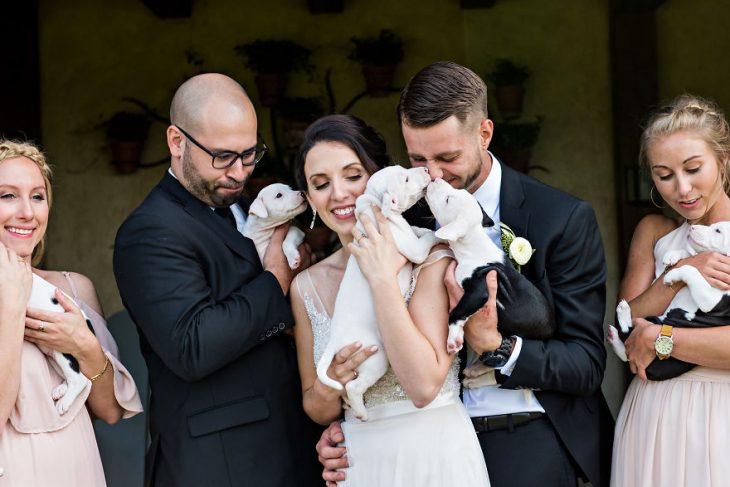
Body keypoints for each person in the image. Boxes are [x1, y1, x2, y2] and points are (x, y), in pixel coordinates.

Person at [317, 61, 614, 487]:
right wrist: (344, 429)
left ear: (485, 133)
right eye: (418, 158)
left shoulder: (562, 218)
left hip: (527, 431)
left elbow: (585, 364)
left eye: (447, 156)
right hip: (428, 446)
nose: (433, 173)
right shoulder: (403, 216)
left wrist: (497, 347)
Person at [113, 73, 321, 487]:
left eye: (249, 155)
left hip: (294, 449)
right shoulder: (151, 230)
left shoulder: (247, 208)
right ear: (176, 141)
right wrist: (277, 282)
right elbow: (192, 345)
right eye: (223, 156)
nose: (239, 172)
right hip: (217, 465)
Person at [290, 113, 490, 486]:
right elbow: (316, 409)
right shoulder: (307, 286)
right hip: (360, 463)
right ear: (308, 199)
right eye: (320, 184)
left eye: (353, 176)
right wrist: (331, 381)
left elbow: (424, 387)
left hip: (436, 455)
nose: (338, 193)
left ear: (380, 177)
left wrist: (381, 279)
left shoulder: (430, 256)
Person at [0, 140, 142, 486]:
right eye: (7, 196)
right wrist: (11, 308)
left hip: (78, 471)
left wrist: (84, 344)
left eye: (37, 196)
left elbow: (109, 412)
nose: (27, 212)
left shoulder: (73, 288)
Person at [611, 94, 730, 486]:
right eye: (664, 175)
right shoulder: (654, 232)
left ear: (724, 160)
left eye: (693, 169)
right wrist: (680, 272)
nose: (682, 188)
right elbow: (625, 326)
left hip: (721, 416)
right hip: (653, 414)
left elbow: (646, 331)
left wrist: (661, 338)